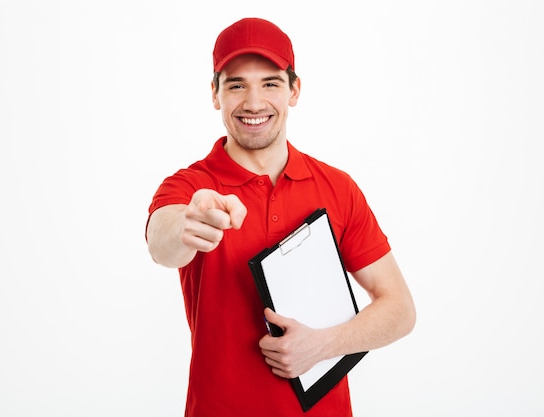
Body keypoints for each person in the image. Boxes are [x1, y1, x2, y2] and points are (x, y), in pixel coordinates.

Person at [146, 17, 416, 417]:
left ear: (294, 90)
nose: (254, 103)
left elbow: (400, 310)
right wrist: (187, 225)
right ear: (215, 94)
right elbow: (161, 242)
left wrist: (324, 344)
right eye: (236, 85)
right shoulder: (189, 187)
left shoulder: (337, 188)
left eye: (270, 83)